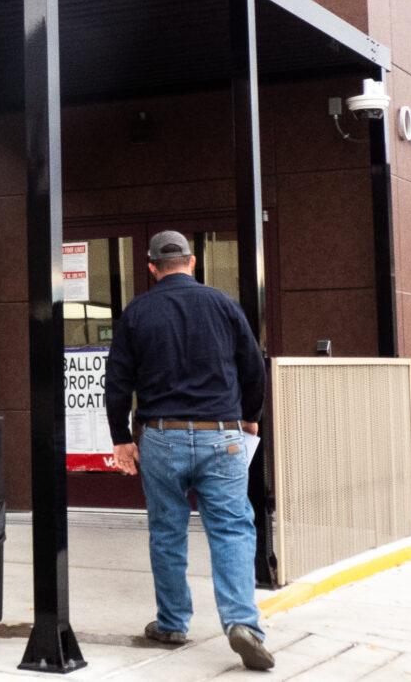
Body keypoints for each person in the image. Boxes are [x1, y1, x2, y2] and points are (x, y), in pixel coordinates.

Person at [104, 230, 273, 671]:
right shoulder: (223, 304)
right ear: (192, 261)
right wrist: (251, 415)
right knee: (233, 528)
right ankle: (242, 624)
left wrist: (120, 437)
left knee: (167, 530)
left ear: (152, 267)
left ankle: (173, 622)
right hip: (223, 434)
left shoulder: (138, 311)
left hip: (162, 435)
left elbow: (118, 379)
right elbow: (253, 365)